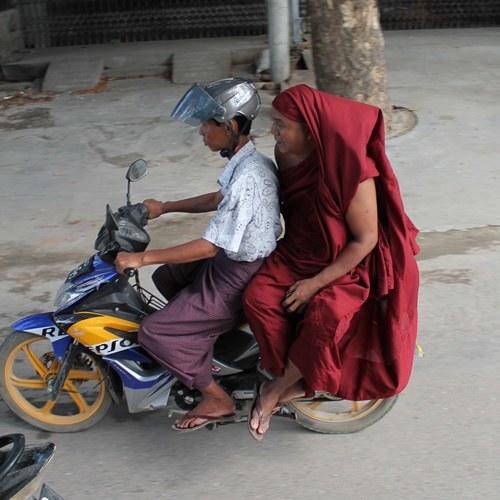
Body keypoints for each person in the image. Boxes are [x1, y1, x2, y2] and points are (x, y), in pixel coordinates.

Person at [243, 84, 420, 441]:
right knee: (256, 299)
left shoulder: (354, 174)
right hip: (296, 253)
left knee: (325, 314)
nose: (273, 132)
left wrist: (316, 283)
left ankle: (277, 390)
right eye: (273, 122)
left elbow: (366, 240)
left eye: (281, 124)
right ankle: (297, 376)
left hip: (344, 265)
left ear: (310, 128)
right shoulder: (286, 154)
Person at [115, 78, 282, 432]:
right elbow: (216, 200)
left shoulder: (249, 176)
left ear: (231, 125)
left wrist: (142, 258)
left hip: (238, 272)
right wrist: (166, 207)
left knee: (154, 333)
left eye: (208, 123)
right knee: (167, 277)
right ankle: (200, 338)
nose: (202, 132)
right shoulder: (245, 160)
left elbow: (211, 246)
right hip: (233, 262)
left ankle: (216, 396)